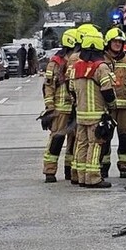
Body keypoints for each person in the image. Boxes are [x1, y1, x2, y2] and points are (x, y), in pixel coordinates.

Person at [69, 31, 116, 188]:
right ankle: (93, 178)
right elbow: (107, 91)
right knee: (96, 145)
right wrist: (112, 105)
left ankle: (79, 176)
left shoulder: (75, 67)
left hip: (81, 114)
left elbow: (71, 89)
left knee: (81, 144)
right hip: (96, 114)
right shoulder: (101, 67)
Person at [100, 27, 126, 179]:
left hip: (125, 107)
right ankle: (103, 167)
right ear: (108, 43)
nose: (117, 44)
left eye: (120, 42)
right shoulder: (101, 60)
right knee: (105, 138)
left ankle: (124, 167)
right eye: (115, 42)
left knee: (125, 137)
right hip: (106, 107)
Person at [40, 29, 78, 183]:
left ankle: (69, 170)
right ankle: (50, 170)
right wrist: (49, 107)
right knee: (56, 140)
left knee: (74, 142)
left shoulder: (78, 60)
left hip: (76, 108)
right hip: (60, 108)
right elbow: (48, 86)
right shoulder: (56, 62)